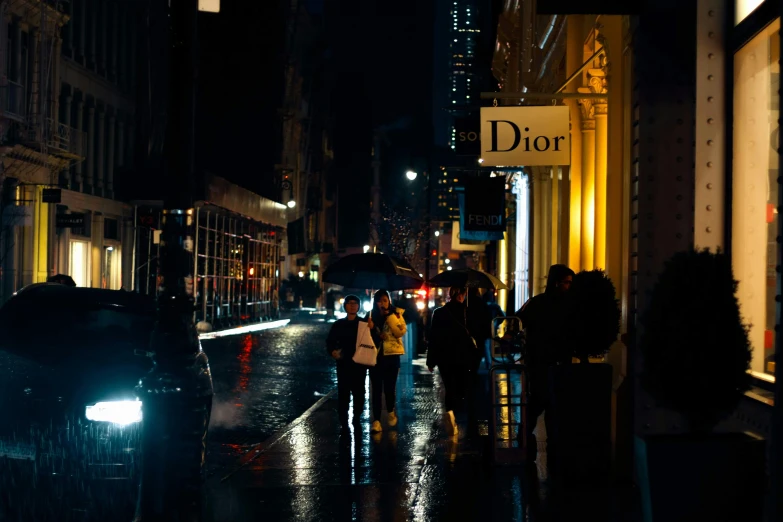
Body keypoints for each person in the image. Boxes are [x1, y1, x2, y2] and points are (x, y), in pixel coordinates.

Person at [514, 264, 574, 464]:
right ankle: (539, 438)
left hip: (542, 360)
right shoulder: (560, 304)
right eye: (566, 282)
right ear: (556, 282)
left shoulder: (538, 302)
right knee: (546, 400)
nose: (569, 286)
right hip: (544, 360)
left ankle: (527, 433)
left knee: (544, 400)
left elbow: (517, 319)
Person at [427, 286, 477, 437]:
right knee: (461, 386)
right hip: (463, 357)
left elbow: (433, 337)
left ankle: (450, 413)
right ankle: (456, 413)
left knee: (449, 386)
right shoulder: (467, 312)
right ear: (462, 295)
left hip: (445, 357)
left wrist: (431, 360)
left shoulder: (439, 312)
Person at [325, 294, 369, 432]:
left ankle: (356, 416)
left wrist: (372, 328)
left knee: (359, 392)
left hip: (359, 364)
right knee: (343, 392)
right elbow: (330, 341)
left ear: (358, 306)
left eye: (355, 303)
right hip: (343, 363)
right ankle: (343, 420)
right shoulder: (338, 324)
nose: (352, 305)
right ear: (345, 306)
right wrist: (333, 352)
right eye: (349, 303)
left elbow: (371, 341)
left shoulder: (364, 324)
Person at [367, 289, 406, 433]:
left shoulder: (396, 314)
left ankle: (390, 411)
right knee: (376, 390)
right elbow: (365, 337)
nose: (382, 303)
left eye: (385, 300)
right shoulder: (370, 316)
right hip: (375, 357)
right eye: (379, 300)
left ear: (389, 301)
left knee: (389, 388)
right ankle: (376, 420)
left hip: (392, 357)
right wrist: (372, 330)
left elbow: (400, 332)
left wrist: (389, 317)